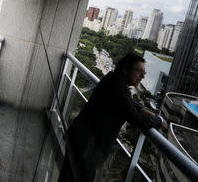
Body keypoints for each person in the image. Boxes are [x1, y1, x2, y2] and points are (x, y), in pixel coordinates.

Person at [58, 53, 167, 182]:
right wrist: (160, 120)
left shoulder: (113, 79)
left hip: (80, 139)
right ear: (125, 69)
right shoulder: (120, 90)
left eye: (143, 73)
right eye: (138, 71)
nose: (142, 76)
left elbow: (128, 101)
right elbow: (140, 121)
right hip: (86, 149)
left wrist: (142, 108)